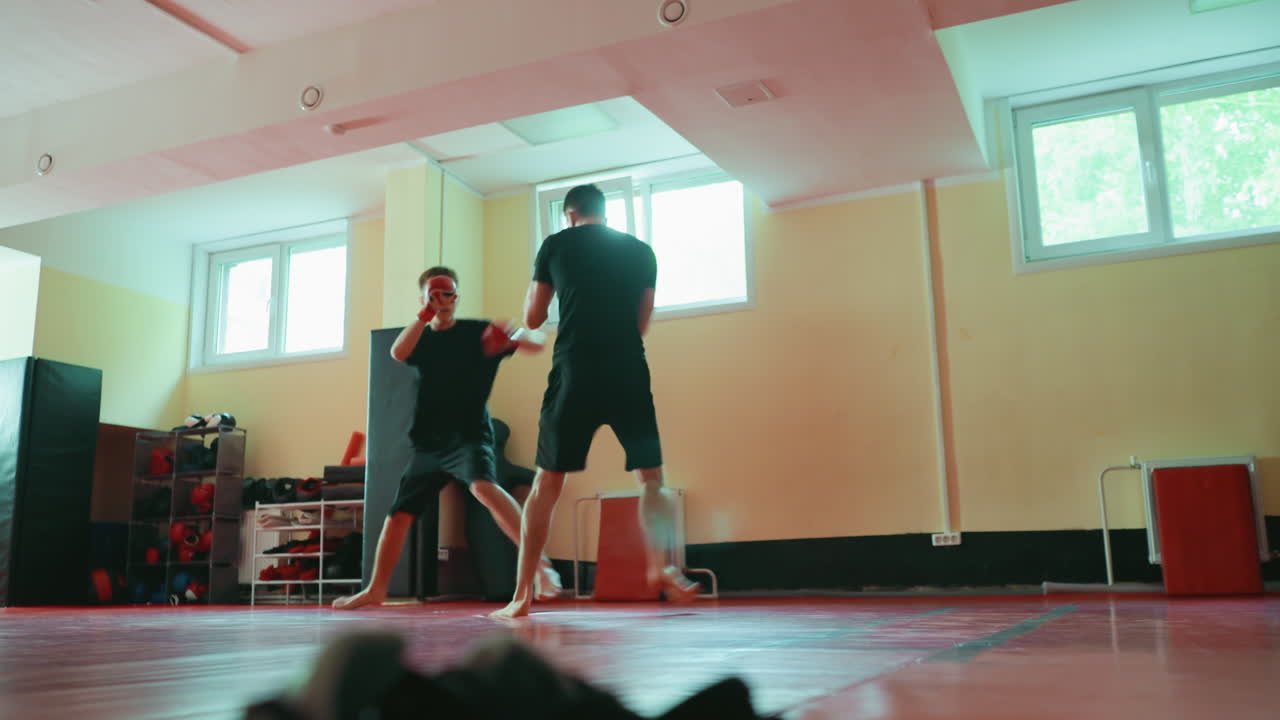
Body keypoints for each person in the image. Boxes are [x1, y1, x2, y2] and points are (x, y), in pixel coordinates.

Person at [492, 184, 699, 620]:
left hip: (575, 370)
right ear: (605, 212)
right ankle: (660, 567)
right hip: (627, 368)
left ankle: (522, 595)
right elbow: (642, 323)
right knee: (652, 478)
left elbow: (533, 318)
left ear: (569, 214)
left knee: (547, 483)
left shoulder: (555, 245)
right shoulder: (642, 251)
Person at [334, 266, 561, 610]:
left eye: (449, 293)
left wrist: (514, 335)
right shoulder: (422, 338)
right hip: (428, 443)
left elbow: (538, 342)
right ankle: (376, 589)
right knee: (398, 515)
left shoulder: (478, 332)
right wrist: (423, 315)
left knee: (484, 488)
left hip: (469, 437)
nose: (443, 300)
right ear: (424, 298)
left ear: (458, 297)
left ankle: (541, 567)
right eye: (435, 293)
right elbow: (397, 352)